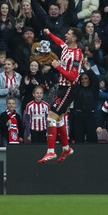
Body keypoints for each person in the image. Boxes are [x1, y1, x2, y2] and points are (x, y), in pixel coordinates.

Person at [38, 27, 83, 163]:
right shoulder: (66, 47)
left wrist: (58, 67)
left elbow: (73, 76)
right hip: (62, 88)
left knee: (51, 117)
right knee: (58, 119)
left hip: (69, 88)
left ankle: (51, 151)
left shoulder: (76, 54)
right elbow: (59, 42)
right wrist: (49, 33)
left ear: (74, 38)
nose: (65, 35)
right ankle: (66, 148)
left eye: (68, 34)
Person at [70, 61, 99, 143]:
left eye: (86, 78)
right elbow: (74, 81)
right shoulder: (77, 89)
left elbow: (96, 81)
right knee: (78, 139)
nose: (84, 81)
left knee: (92, 139)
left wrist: (89, 69)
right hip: (79, 116)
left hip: (90, 116)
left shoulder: (93, 89)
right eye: (82, 79)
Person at [0, 58, 22, 124]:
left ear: (13, 66)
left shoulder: (19, 77)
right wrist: (8, 90)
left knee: (16, 124)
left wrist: (15, 91)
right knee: (3, 124)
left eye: (8, 64)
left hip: (15, 103)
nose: (6, 66)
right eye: (5, 64)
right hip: (2, 103)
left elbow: (21, 93)